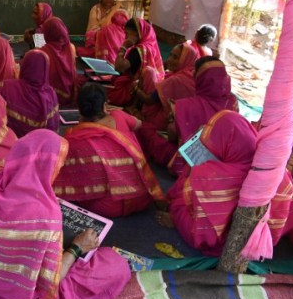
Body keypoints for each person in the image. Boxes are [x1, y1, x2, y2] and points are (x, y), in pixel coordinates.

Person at [0, 129, 130, 299]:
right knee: (116, 264)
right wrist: (77, 247)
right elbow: (50, 281)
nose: (58, 170)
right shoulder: (45, 214)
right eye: (57, 164)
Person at [160, 110, 293, 256]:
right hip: (267, 238)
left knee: (181, 200)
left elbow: (205, 238)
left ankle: (176, 215)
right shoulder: (276, 169)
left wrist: (177, 213)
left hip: (231, 245)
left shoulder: (218, 177)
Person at [53, 83, 165, 217]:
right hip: (141, 197)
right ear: (104, 106)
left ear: (80, 109)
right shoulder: (119, 115)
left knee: (72, 177)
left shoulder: (74, 137)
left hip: (110, 206)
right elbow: (139, 124)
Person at [139, 57, 238, 173]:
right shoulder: (233, 102)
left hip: (187, 164)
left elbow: (172, 137)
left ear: (197, 77)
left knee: (145, 131)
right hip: (220, 164)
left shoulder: (184, 106)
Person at [0, 50, 60, 137]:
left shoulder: (4, 87)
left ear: (25, 65)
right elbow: (52, 129)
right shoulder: (50, 94)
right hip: (38, 147)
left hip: (8, 144)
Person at [134, 41, 199, 131]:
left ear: (185, 60)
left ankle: (140, 114)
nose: (169, 60)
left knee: (148, 71)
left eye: (175, 57)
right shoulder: (193, 76)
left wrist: (136, 89)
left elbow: (149, 100)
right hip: (183, 125)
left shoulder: (176, 80)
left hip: (163, 122)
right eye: (170, 55)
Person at [108, 18, 164, 107]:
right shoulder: (152, 47)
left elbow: (118, 67)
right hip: (150, 91)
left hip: (133, 93)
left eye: (127, 33)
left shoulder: (138, 50)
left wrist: (123, 46)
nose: (125, 37)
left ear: (136, 33)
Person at [40, 16, 77, 105]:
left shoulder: (42, 50)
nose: (32, 15)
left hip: (49, 96)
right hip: (68, 92)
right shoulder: (71, 47)